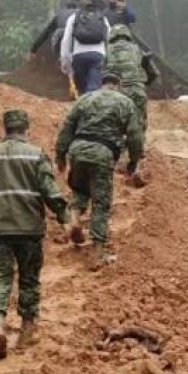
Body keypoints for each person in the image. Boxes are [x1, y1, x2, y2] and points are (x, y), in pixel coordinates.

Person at [0, 109, 68, 359]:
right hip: (29, 230)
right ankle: (26, 331)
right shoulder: (35, 155)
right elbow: (50, 192)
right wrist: (66, 218)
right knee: (29, 279)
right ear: (26, 129)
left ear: (5, 129)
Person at [54, 72, 144, 269]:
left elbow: (67, 128)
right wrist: (133, 162)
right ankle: (97, 253)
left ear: (102, 84)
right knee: (101, 203)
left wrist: (60, 156)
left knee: (79, 190)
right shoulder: (125, 103)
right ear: (117, 85)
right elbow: (135, 136)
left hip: (78, 150)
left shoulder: (85, 99)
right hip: (103, 153)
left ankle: (75, 220)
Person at [104, 24, 158, 134]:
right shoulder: (137, 49)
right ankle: (137, 147)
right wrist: (143, 85)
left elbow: (101, 74)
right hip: (136, 90)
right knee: (139, 122)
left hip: (116, 91)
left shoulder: (107, 51)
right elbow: (154, 73)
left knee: (113, 122)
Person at [59, 1, 111, 96]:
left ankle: (82, 104)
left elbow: (66, 39)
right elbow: (110, 39)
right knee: (93, 88)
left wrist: (64, 59)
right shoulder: (102, 18)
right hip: (98, 55)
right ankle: (90, 105)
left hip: (78, 57)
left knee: (82, 87)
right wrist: (110, 59)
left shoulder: (74, 17)